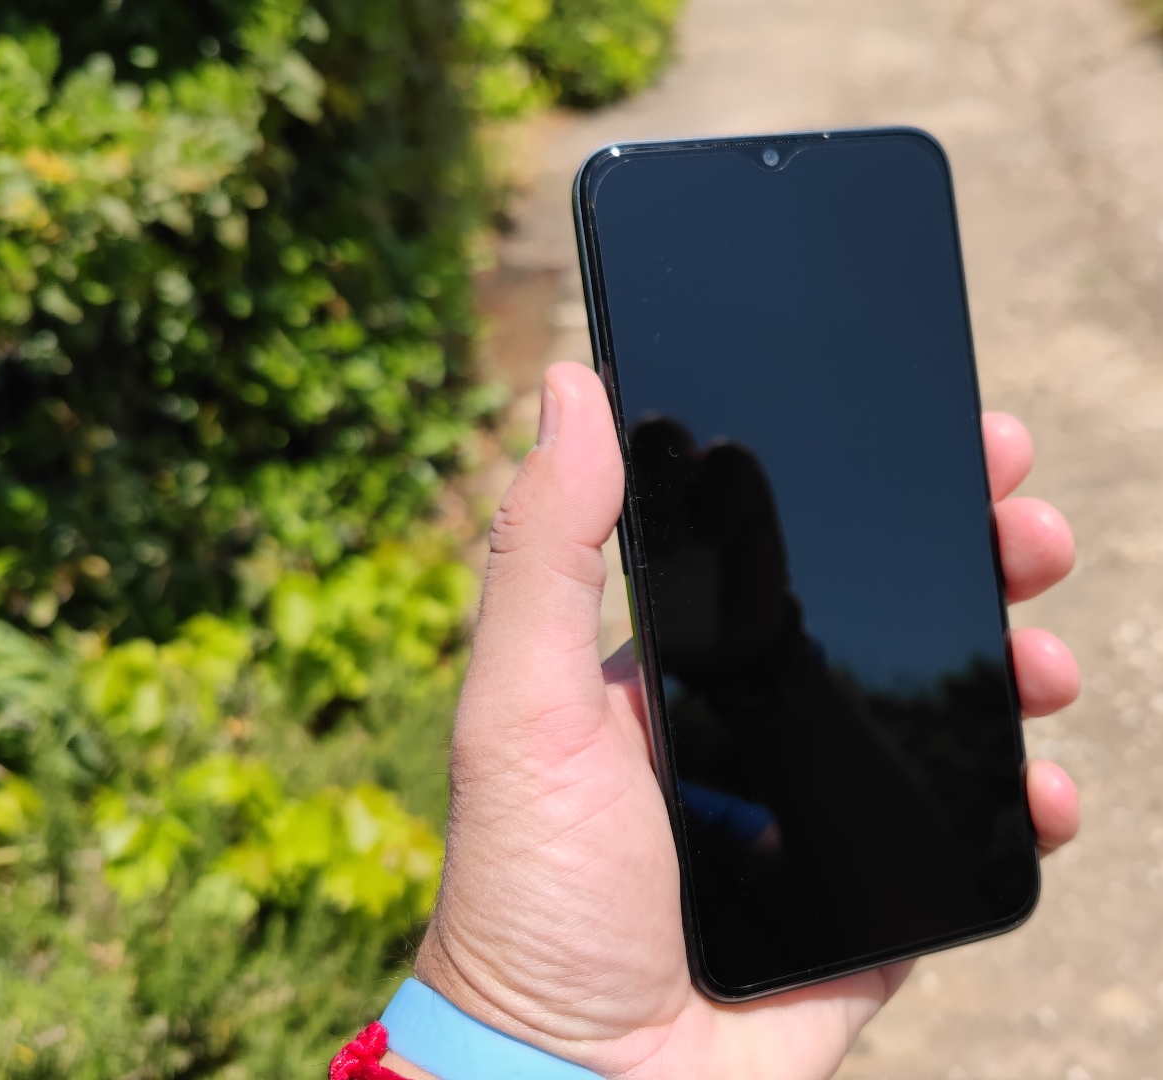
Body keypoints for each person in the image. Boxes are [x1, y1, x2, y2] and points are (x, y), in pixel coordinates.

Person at [342, 364, 1082, 1080]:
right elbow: (908, 884)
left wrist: (766, 663)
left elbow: (911, 887)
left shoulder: (684, 810)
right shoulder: (663, 806)